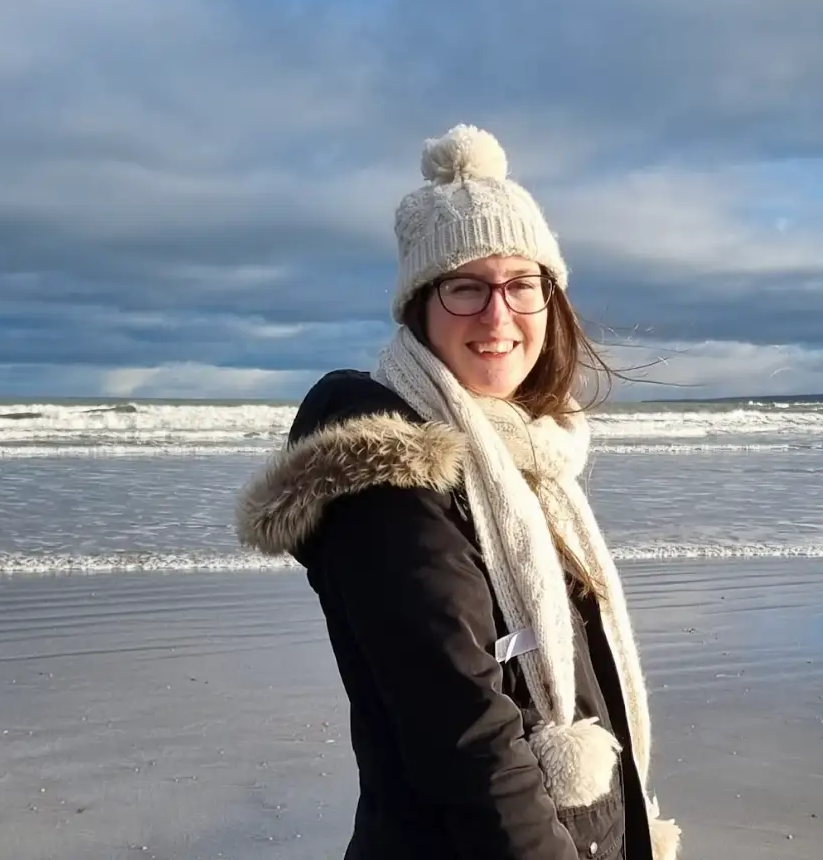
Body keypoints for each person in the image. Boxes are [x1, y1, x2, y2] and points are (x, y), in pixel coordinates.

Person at [236, 125, 680, 859]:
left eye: (521, 284)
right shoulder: (394, 475)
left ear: (551, 298)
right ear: (421, 306)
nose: (498, 315)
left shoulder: (528, 455)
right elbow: (467, 736)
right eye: (465, 286)